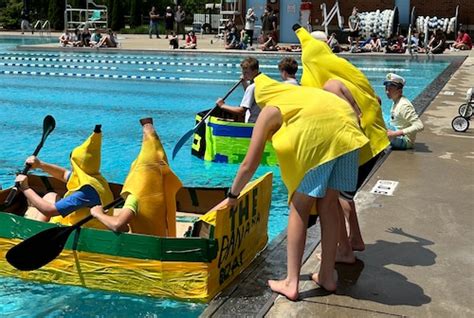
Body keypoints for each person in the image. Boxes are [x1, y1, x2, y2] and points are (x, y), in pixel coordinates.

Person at [216, 73, 369, 298]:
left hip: (324, 134)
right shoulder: (299, 95)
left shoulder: (270, 109)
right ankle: (327, 275)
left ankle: (291, 282)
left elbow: (249, 163)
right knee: (328, 204)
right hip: (348, 130)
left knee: (300, 206)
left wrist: (232, 195)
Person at [294, 25, 390, 259]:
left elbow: (343, 122)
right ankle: (354, 240)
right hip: (375, 144)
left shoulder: (329, 86)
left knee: (332, 199)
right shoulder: (343, 78)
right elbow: (375, 99)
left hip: (361, 148)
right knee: (342, 197)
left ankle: (344, 249)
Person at [91, 118, 182, 236]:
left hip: (147, 249)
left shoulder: (136, 197)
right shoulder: (164, 189)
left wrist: (98, 213)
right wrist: (148, 127)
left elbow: (118, 225)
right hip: (165, 241)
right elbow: (124, 227)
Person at [14, 125, 115, 230]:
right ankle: (37, 227)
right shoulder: (94, 178)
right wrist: (40, 164)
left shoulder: (86, 191)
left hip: (83, 231)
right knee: (51, 196)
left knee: (49, 204)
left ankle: (33, 232)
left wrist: (25, 188)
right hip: (88, 222)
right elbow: (63, 174)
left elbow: (50, 210)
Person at [384, 73, 423, 150]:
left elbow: (419, 126)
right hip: (397, 133)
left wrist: (394, 134)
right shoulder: (396, 100)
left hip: (405, 140)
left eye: (390, 88)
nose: (387, 91)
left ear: (400, 90)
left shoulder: (404, 106)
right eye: (386, 88)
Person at [216, 57, 261, 123]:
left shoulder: (251, 87)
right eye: (243, 72)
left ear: (255, 71)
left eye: (246, 72)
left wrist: (222, 105)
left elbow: (241, 111)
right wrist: (244, 83)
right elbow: (251, 97)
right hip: (259, 122)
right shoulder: (260, 82)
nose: (244, 75)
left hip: (251, 124)